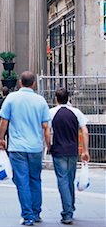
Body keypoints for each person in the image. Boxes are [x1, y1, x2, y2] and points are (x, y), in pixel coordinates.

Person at [0, 71, 51, 226]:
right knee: (35, 179)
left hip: (17, 147)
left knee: (22, 181)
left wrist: (1, 139)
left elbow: (3, 121)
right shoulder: (40, 101)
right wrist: (48, 145)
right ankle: (36, 212)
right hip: (35, 147)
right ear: (34, 83)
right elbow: (46, 127)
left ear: (20, 82)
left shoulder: (11, 98)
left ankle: (27, 215)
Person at [50, 87, 89, 225]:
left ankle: (67, 213)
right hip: (73, 151)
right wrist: (85, 150)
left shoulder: (52, 113)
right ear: (69, 98)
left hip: (58, 150)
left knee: (62, 181)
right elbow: (85, 131)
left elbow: (47, 131)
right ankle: (70, 206)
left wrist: (48, 146)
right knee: (70, 180)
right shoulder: (76, 112)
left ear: (56, 99)